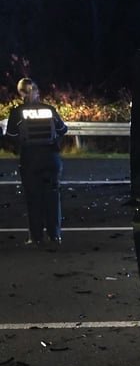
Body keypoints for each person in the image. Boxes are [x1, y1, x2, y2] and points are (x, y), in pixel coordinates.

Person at [3, 78, 68, 248]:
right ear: (37, 91)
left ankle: (36, 236)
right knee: (52, 198)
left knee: (34, 198)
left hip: (31, 159)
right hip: (51, 159)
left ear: (21, 93)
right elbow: (62, 129)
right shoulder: (49, 110)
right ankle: (55, 235)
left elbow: (11, 136)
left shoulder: (18, 112)